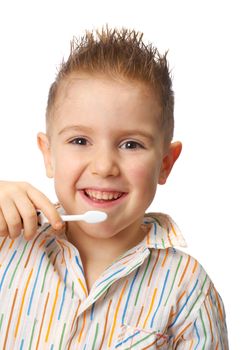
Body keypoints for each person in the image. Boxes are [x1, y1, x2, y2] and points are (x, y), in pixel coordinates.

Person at [0, 27, 228, 349]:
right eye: (80, 141)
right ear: (48, 155)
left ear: (165, 163)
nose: (104, 166)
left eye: (131, 144)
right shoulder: (7, 245)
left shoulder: (187, 289)